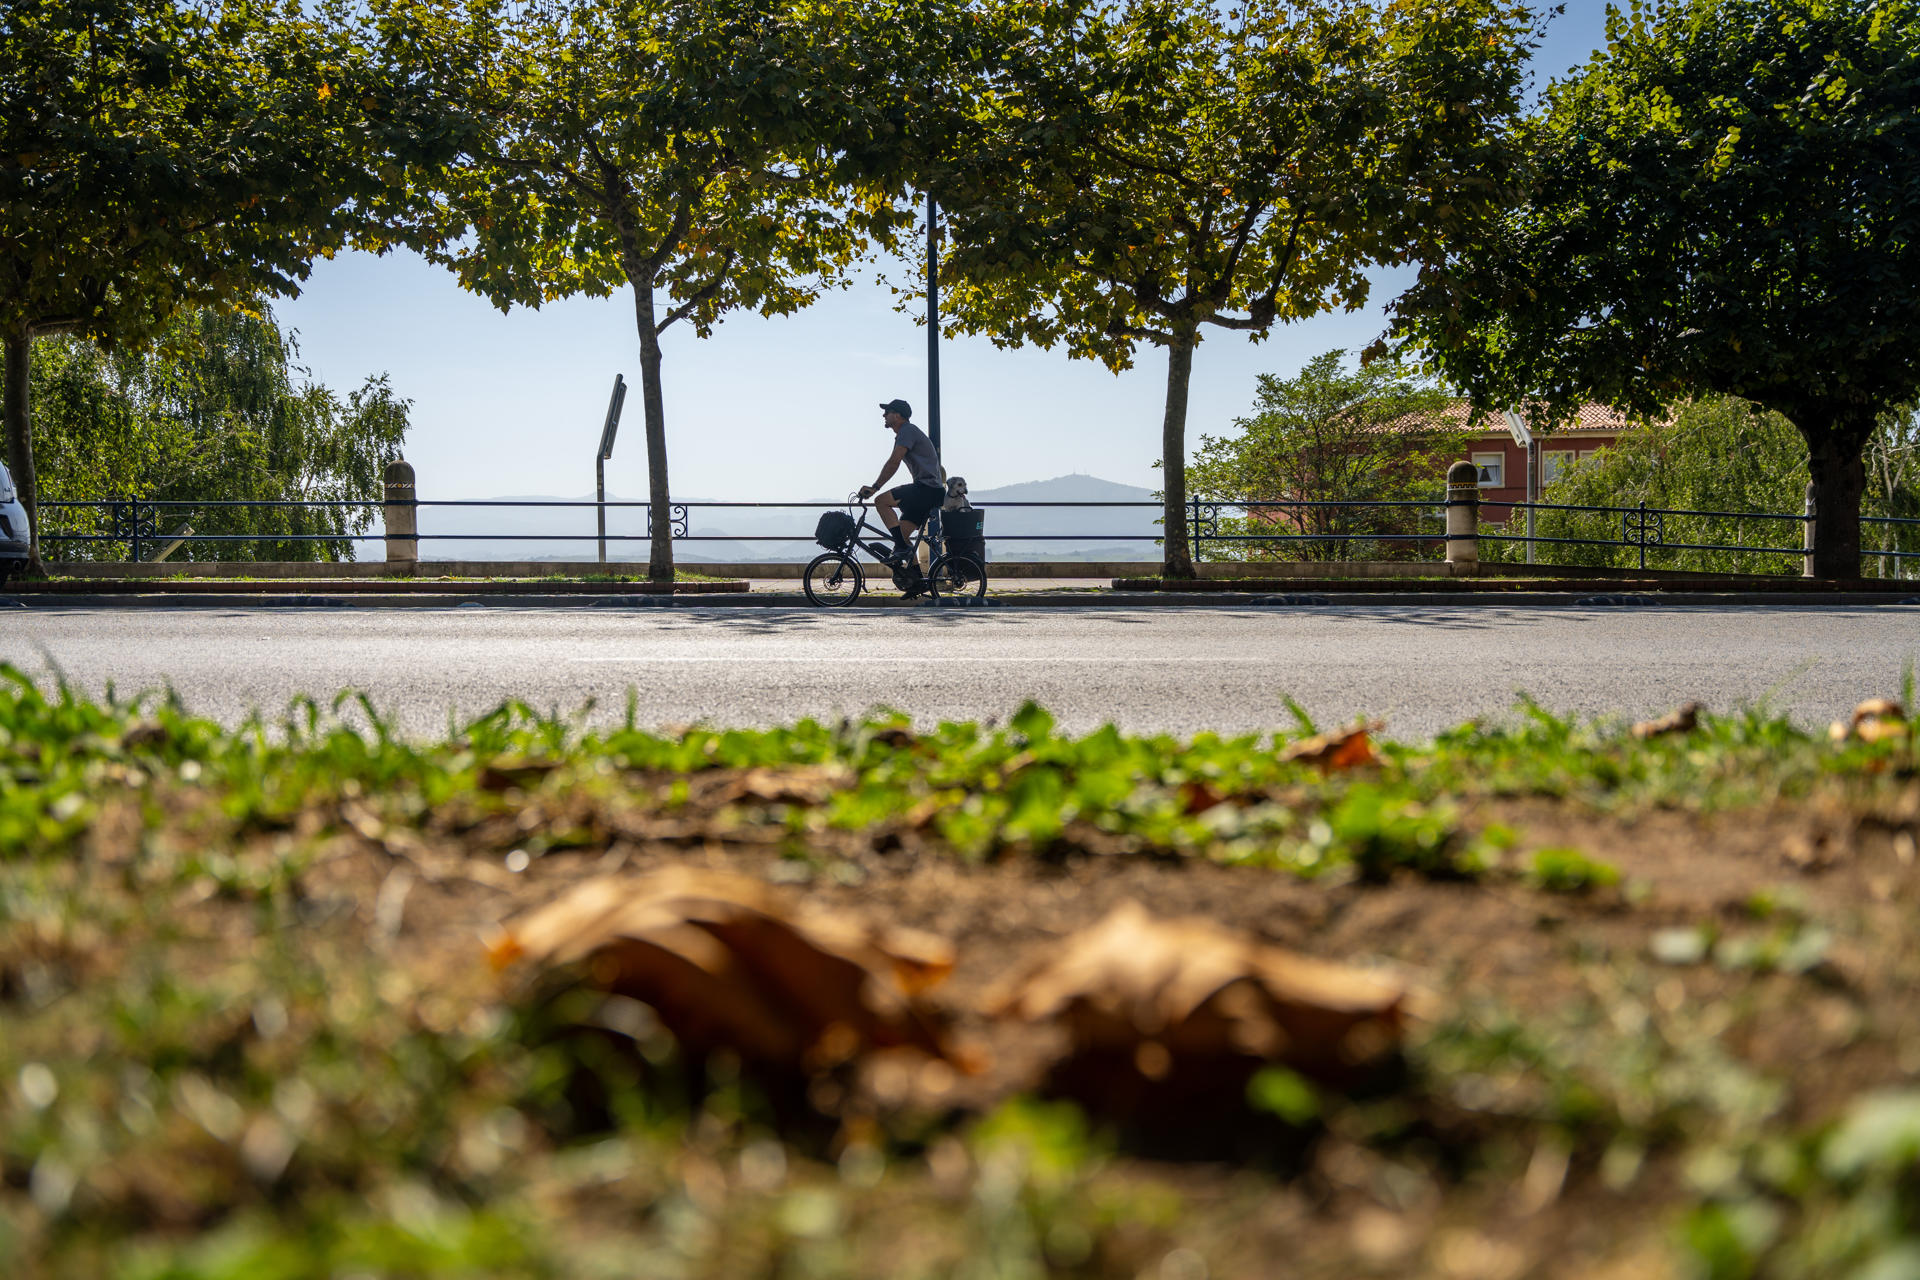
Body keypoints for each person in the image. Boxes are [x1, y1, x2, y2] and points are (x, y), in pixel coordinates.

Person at [858, 398, 944, 568]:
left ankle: (900, 549)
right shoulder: (906, 433)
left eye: (887, 412)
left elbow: (893, 462)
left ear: (897, 416)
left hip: (927, 489)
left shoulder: (907, 431)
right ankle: (916, 582)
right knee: (903, 538)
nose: (884, 415)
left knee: (880, 501)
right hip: (930, 491)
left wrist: (875, 487)